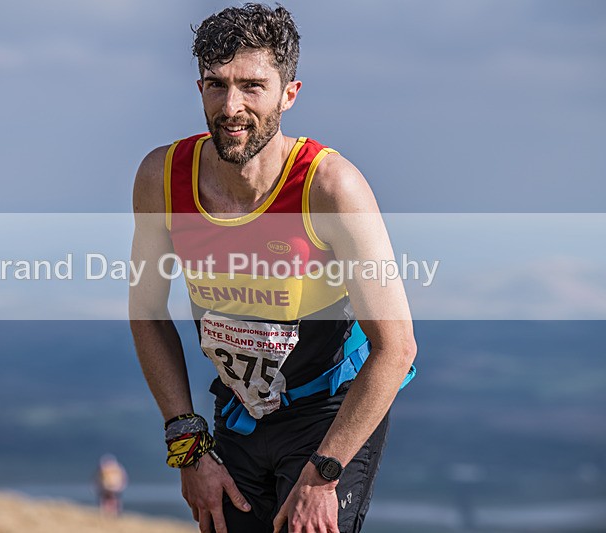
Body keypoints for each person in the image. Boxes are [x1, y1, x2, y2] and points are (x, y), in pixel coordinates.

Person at [129, 4, 417, 532]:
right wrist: (188, 449)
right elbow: (145, 311)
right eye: (216, 85)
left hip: (329, 412)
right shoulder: (162, 178)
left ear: (290, 93)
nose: (231, 106)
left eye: (252, 86)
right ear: (199, 89)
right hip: (240, 411)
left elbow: (396, 348)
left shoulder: (331, 188)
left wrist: (324, 476)